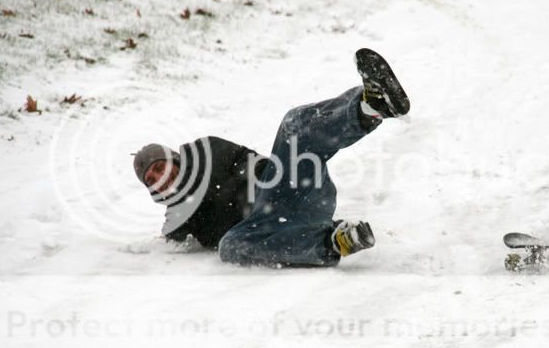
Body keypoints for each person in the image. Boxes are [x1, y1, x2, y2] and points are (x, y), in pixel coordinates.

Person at [132, 48, 410, 267]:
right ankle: (333, 241)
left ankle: (370, 106)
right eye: (151, 181)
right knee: (231, 247)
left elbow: (253, 164)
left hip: (285, 191)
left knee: (293, 124)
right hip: (284, 229)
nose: (160, 178)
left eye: (159, 167)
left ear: (173, 159)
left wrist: (263, 185)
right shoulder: (178, 220)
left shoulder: (206, 152)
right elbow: (169, 243)